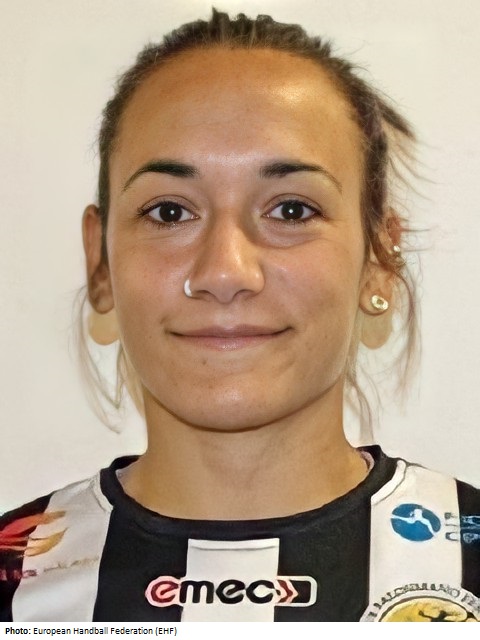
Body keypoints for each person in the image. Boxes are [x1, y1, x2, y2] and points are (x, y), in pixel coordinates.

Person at [1, 9, 479, 623]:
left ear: (379, 262)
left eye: (291, 210)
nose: (225, 272)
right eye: (169, 213)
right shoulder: (16, 578)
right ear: (100, 262)